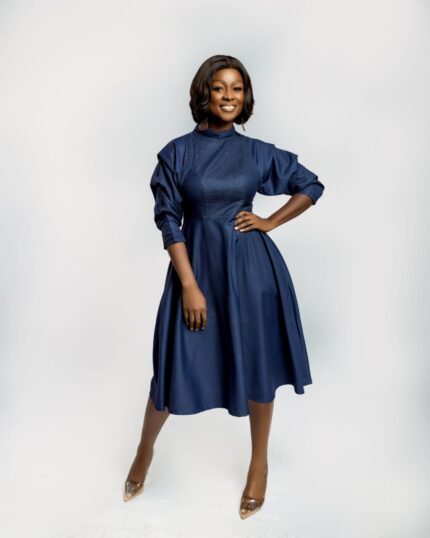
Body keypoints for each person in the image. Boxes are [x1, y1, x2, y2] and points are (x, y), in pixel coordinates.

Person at [123, 55, 325, 519]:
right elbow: (168, 221)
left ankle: (259, 465)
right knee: (171, 367)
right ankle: (144, 450)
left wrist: (270, 221)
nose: (229, 96)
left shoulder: (256, 153)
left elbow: (310, 185)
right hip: (196, 270)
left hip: (252, 272)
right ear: (205, 93)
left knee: (258, 364)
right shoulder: (177, 153)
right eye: (220, 87)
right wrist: (189, 285)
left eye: (237, 88)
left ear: (245, 96)